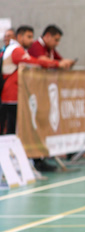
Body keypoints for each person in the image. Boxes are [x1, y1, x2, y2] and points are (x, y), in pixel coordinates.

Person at [1, 26, 71, 168]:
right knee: (11, 132)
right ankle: (10, 164)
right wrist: (56, 64)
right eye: (28, 36)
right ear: (19, 37)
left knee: (12, 130)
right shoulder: (16, 50)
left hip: (15, 96)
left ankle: (13, 163)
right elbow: (34, 61)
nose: (31, 40)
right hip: (11, 97)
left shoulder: (18, 49)